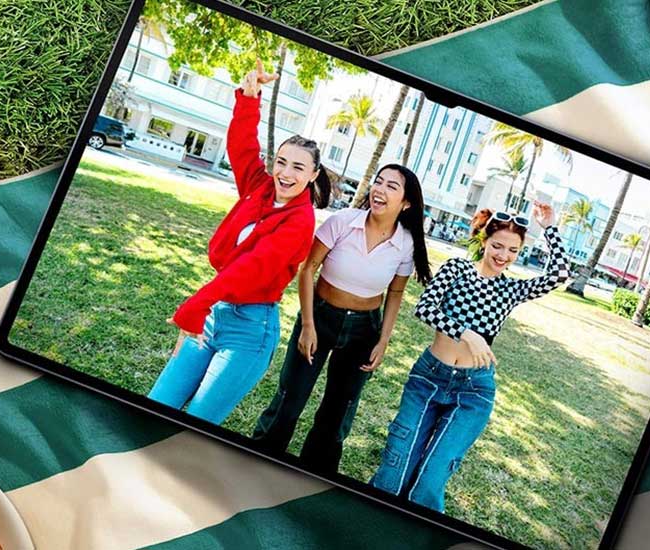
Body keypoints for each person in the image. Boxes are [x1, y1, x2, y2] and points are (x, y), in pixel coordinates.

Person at [147, 60, 331, 425]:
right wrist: (249, 97)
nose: (285, 173)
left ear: (313, 175)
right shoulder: (260, 186)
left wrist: (196, 304)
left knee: (194, 426)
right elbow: (243, 146)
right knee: (157, 404)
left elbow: (250, 269)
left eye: (298, 167)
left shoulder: (300, 221)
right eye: (281, 162)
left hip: (249, 330)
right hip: (215, 311)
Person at [370, 202, 570, 512]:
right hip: (429, 379)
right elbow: (424, 309)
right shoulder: (456, 268)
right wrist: (467, 333)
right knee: (394, 471)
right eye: (498, 246)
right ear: (484, 241)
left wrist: (550, 227)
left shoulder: (512, 290)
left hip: (473, 391)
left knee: (430, 479)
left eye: (513, 251)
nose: (503, 255)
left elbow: (560, 274)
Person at [252, 164, 432, 473]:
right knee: (290, 398)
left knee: (339, 410)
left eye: (391, 186)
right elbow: (308, 269)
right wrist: (308, 325)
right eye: (378, 182)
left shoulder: (405, 243)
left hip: (365, 329)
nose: (379, 190)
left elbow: (396, 292)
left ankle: (314, 474)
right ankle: (258, 459)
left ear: (406, 203)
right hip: (320, 316)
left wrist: (383, 340)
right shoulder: (343, 221)